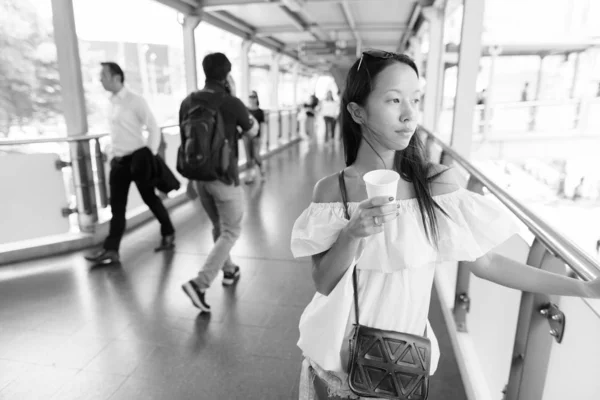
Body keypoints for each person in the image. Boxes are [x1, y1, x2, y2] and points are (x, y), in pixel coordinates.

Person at [290, 50, 600, 399]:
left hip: (400, 362)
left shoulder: (435, 184)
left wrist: (585, 289)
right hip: (336, 362)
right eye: (394, 100)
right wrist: (352, 234)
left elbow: (486, 263)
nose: (409, 115)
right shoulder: (334, 190)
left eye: (416, 100)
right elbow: (323, 281)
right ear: (357, 111)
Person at [180, 52, 258, 313]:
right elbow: (252, 130)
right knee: (231, 231)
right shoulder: (231, 102)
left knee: (219, 226)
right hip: (224, 178)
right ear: (227, 73)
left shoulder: (188, 101)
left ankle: (229, 269)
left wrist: (190, 181)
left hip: (201, 179)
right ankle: (200, 284)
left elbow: (187, 142)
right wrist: (234, 94)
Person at [85, 62, 175, 265]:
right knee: (117, 207)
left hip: (138, 159)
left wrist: (149, 155)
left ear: (117, 77)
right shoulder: (111, 103)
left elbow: (153, 127)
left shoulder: (135, 101)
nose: (101, 79)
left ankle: (168, 232)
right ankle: (111, 250)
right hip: (119, 162)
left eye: (104, 76)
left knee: (150, 199)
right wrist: (111, 151)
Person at [244, 90, 266, 184]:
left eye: (253, 97)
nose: (251, 99)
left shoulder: (260, 112)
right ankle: (251, 175)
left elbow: (262, 125)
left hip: (256, 137)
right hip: (246, 136)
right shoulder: (245, 110)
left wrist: (261, 137)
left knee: (256, 156)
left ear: (256, 98)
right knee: (249, 157)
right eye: (250, 97)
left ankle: (262, 171)